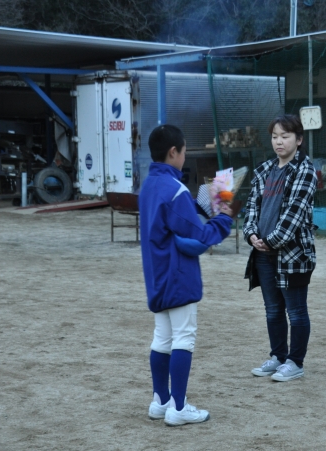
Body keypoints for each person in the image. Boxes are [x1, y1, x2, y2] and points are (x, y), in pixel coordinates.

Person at [139, 124, 234, 426]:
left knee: (162, 338)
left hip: (156, 273)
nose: (184, 156)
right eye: (183, 151)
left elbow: (175, 216)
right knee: (184, 337)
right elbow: (200, 235)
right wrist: (224, 216)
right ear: (173, 152)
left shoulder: (149, 185)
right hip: (178, 274)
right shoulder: (175, 189)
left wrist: (198, 204)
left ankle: (160, 400)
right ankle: (178, 407)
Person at [243, 114, 317, 382]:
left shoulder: (305, 171)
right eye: (275, 136)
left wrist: (270, 240)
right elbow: (251, 207)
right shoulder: (264, 170)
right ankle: (278, 356)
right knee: (272, 309)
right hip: (262, 254)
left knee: (296, 311)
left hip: (293, 255)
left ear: (299, 140)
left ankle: (295, 362)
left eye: (285, 136)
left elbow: (294, 214)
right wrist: (252, 234)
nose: (279, 141)